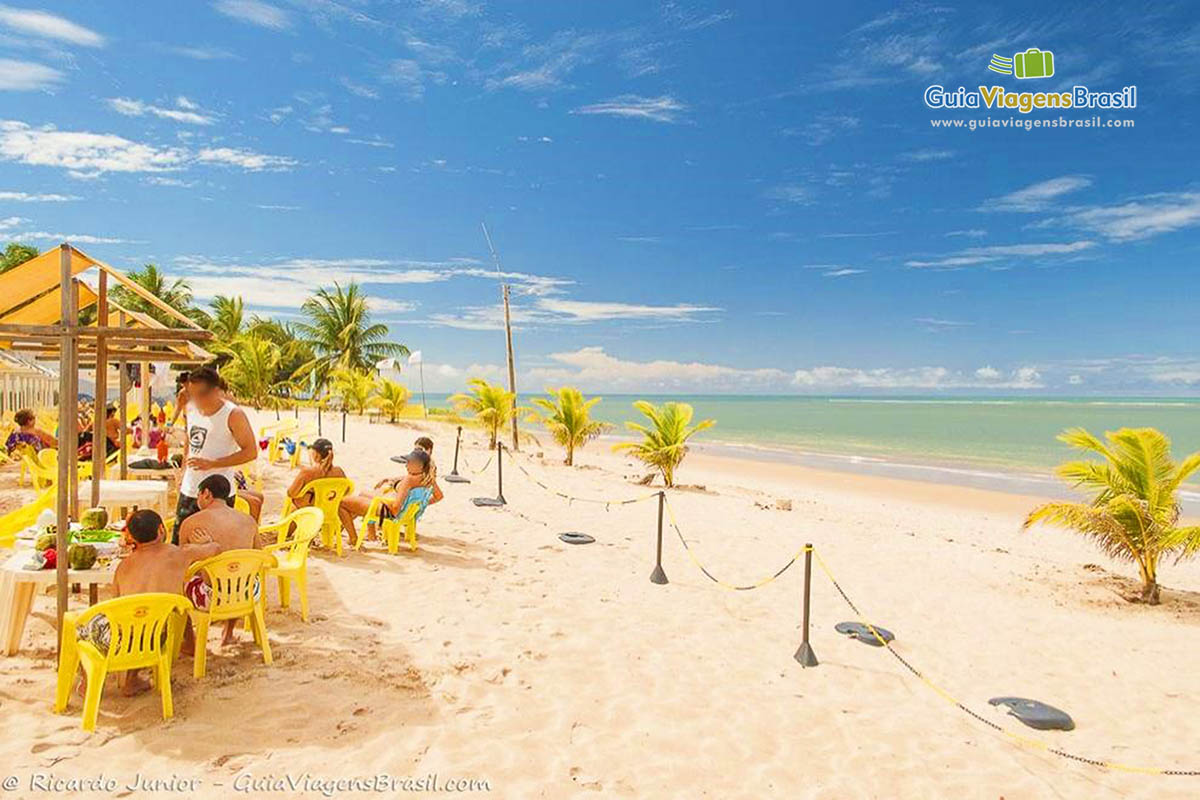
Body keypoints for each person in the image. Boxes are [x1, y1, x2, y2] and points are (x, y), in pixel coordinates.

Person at [81, 510, 220, 695]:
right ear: (161, 530)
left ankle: (87, 682)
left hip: (118, 643)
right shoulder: (180, 554)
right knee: (146, 618)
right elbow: (216, 549)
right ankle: (131, 680)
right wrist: (207, 542)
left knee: (85, 627)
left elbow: (116, 604)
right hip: (158, 638)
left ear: (132, 538)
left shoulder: (124, 566)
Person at [173, 367, 257, 541]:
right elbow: (190, 439)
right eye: (193, 393)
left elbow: (251, 452)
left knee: (217, 549)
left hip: (219, 493)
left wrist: (213, 463)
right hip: (190, 489)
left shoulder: (233, 414)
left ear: (216, 391)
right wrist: (183, 471)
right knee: (181, 546)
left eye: (201, 394)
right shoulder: (191, 409)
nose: (197, 399)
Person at [177, 474, 259, 649]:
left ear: (206, 493)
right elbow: (259, 555)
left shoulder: (191, 523)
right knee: (237, 572)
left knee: (177, 584)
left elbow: (181, 565)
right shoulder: (249, 521)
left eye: (198, 495)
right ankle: (228, 633)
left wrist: (203, 550)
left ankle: (189, 641)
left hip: (210, 598)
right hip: (246, 593)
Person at [340, 448, 443, 545]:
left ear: (420, 466)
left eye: (409, 462)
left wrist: (383, 499)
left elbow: (395, 508)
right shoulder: (428, 480)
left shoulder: (409, 480)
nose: (406, 465)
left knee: (342, 502)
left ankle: (353, 539)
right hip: (405, 514)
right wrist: (419, 505)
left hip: (389, 512)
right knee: (361, 496)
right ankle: (358, 531)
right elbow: (439, 496)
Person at [286, 438, 346, 508]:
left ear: (316, 454)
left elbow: (291, 493)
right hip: (330, 507)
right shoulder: (339, 471)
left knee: (292, 502)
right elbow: (346, 491)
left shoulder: (307, 472)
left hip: (311, 511)